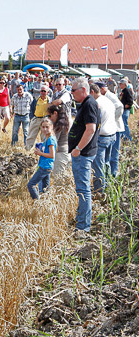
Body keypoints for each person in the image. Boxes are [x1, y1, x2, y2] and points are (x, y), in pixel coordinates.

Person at [68, 77, 100, 234]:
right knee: (82, 188)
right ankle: (82, 219)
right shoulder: (87, 104)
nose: (71, 93)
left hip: (83, 154)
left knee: (83, 189)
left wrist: (78, 148)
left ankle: (83, 227)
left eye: (73, 90)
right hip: (83, 153)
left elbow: (91, 129)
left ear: (83, 90)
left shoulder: (89, 105)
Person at [89, 83, 117, 195]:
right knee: (106, 163)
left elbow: (95, 123)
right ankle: (108, 184)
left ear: (92, 92)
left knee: (98, 165)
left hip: (102, 137)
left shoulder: (97, 103)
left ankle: (99, 191)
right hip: (112, 134)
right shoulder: (108, 101)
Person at [99, 81, 124, 177]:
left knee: (114, 154)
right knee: (109, 155)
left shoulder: (110, 96)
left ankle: (113, 174)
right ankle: (108, 175)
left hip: (116, 129)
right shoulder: (106, 96)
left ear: (102, 89)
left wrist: (112, 119)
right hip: (111, 129)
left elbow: (120, 106)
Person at [27, 118, 57, 200]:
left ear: (52, 127)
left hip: (45, 166)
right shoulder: (47, 138)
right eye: (43, 127)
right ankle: (45, 203)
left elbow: (52, 155)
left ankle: (37, 202)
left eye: (47, 127)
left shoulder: (50, 139)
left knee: (31, 185)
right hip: (47, 166)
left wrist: (40, 153)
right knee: (45, 188)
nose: (45, 129)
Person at [47, 104, 70, 177]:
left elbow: (53, 140)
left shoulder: (59, 125)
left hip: (60, 154)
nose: (49, 119)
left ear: (55, 113)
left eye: (49, 116)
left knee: (58, 178)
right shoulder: (64, 122)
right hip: (65, 153)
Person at [26, 84, 51, 149]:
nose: (43, 92)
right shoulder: (36, 99)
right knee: (31, 135)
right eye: (42, 91)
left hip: (45, 119)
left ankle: (44, 150)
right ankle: (28, 149)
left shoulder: (49, 100)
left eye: (44, 91)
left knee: (44, 136)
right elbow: (31, 108)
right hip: (36, 119)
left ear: (47, 92)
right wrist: (32, 117)